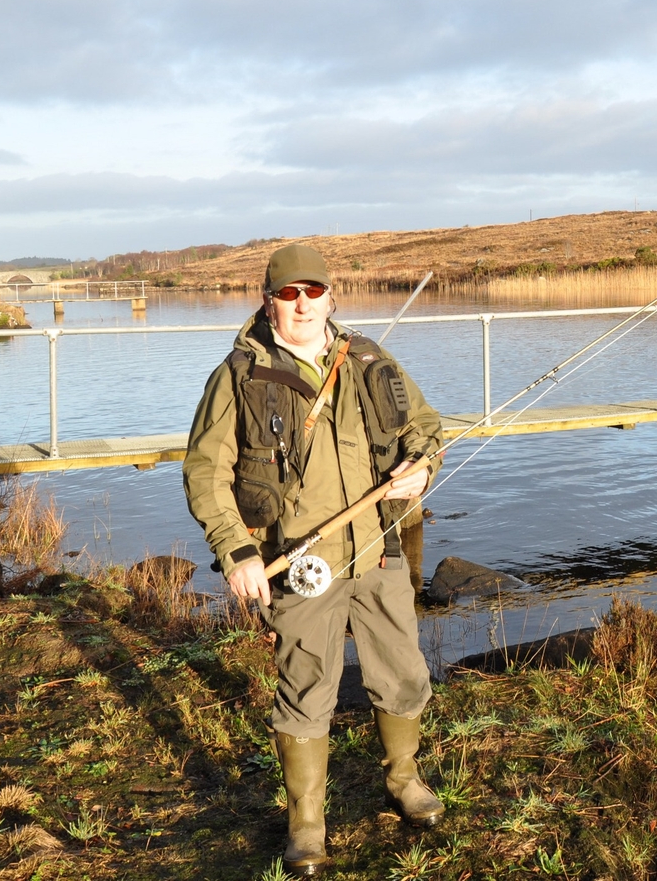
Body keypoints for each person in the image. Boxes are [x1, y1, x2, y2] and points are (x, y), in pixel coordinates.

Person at [182, 244, 444, 876]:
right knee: (306, 689)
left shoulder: (372, 360)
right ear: (268, 300)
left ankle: (403, 780)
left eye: (313, 292)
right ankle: (306, 824)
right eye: (288, 294)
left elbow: (426, 430)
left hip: (379, 553)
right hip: (299, 564)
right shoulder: (237, 377)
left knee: (404, 672)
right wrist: (237, 550)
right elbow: (205, 472)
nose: (302, 304)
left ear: (332, 296)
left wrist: (422, 469)